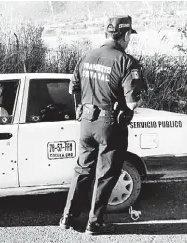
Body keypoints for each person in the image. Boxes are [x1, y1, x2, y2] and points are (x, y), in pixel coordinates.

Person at [60, 15, 147, 235]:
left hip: (86, 122)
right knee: (106, 173)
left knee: (82, 169)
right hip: (110, 125)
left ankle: (67, 217)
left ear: (107, 34)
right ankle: (94, 223)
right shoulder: (126, 62)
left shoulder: (87, 56)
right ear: (126, 35)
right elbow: (132, 102)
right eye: (129, 37)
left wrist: (80, 107)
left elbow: (73, 88)